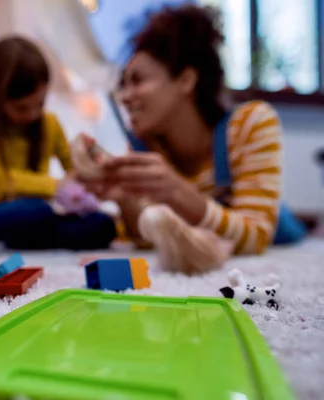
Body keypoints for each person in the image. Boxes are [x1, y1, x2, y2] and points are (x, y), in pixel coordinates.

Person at [74, 4, 306, 273]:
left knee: (284, 222)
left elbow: (256, 236)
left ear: (186, 80)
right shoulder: (144, 145)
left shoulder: (250, 123)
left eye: (137, 80)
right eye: (122, 84)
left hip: (275, 228)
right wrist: (123, 198)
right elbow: (148, 239)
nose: (124, 96)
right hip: (209, 234)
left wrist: (174, 191)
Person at [0, 36, 117, 252]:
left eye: (40, 104)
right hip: (3, 212)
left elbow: (73, 170)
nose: (33, 114)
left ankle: (26, 240)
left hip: (42, 216)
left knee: (102, 224)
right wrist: (55, 186)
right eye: (22, 108)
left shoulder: (50, 124)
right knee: (35, 210)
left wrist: (87, 160)